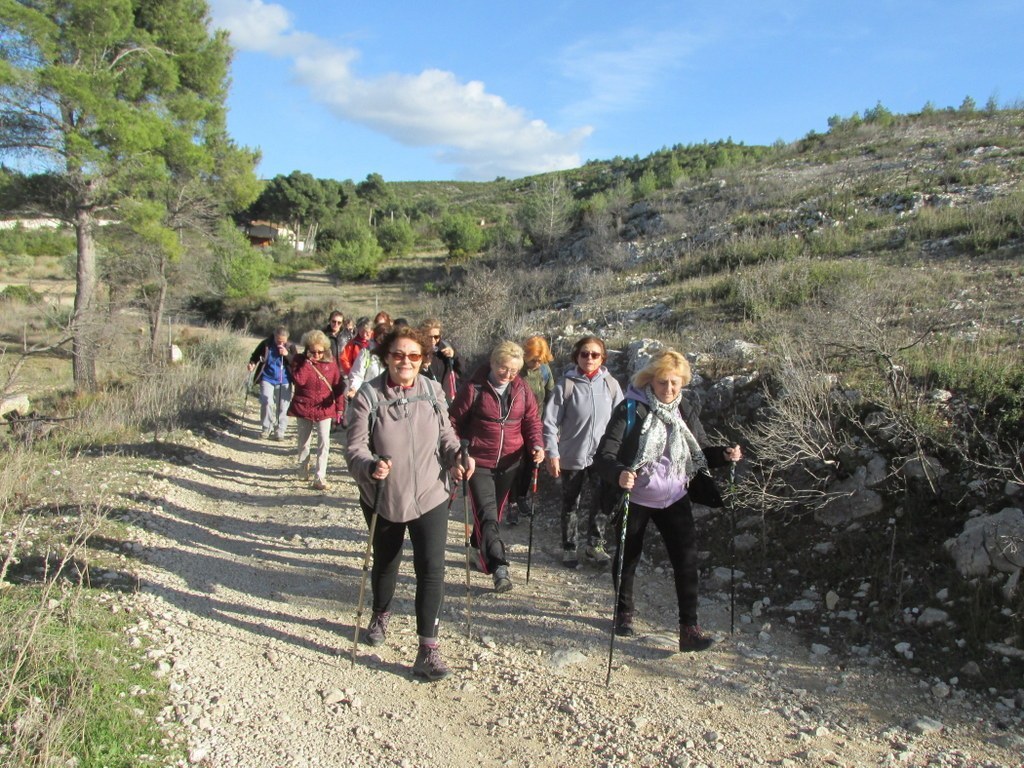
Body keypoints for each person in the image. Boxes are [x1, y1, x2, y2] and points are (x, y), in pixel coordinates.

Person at [345, 326, 474, 681]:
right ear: (386, 357)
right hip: (384, 494)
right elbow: (354, 448)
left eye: (414, 355)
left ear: (424, 358)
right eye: (399, 355)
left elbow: (447, 435)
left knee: (432, 568)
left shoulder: (433, 391)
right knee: (386, 561)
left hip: (432, 492)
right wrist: (370, 467)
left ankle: (428, 649)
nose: (406, 361)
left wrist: (456, 458)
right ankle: (381, 612)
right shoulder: (368, 397)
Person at [594, 349, 742, 652]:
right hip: (636, 496)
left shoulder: (683, 409)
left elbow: (698, 451)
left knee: (687, 562)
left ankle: (689, 629)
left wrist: (724, 455)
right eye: (663, 383)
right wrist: (620, 473)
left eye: (675, 383)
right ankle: (624, 613)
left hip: (675, 496)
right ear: (651, 380)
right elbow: (604, 457)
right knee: (628, 556)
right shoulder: (631, 409)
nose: (669, 390)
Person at [450, 341, 544, 592]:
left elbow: (532, 421)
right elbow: (453, 421)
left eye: (514, 371)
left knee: (493, 514)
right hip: (477, 462)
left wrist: (537, 444)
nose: (509, 375)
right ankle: (499, 566)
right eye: (504, 369)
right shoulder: (474, 388)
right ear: (492, 363)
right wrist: (459, 451)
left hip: (510, 463)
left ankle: (475, 549)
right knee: (488, 514)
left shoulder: (522, 390)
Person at [543, 335, 623, 568]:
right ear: (576, 357)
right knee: (570, 503)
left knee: (602, 502)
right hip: (571, 454)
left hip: (603, 458)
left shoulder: (611, 384)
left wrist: (622, 453)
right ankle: (569, 547)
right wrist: (552, 452)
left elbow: (621, 421)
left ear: (602, 358)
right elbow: (549, 422)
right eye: (584, 354)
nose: (589, 358)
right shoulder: (565, 385)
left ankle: (594, 546)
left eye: (595, 354)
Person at [288, 330, 346, 491]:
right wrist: (307, 363)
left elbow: (338, 386)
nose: (317, 354)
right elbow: (299, 380)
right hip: (303, 406)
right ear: (307, 349)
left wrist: (340, 408)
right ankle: (303, 468)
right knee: (304, 442)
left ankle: (320, 476)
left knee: (324, 442)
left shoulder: (331, 363)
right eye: (313, 351)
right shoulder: (300, 361)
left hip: (325, 408)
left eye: (320, 351)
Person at [511, 335, 556, 523]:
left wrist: (551, 426)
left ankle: (521, 498)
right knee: (515, 465)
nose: (537, 363)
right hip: (514, 425)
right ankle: (511, 503)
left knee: (531, 464)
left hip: (535, 425)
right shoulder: (517, 370)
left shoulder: (545, 371)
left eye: (540, 360)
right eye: (533, 360)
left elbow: (551, 397)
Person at [247, 326, 296, 440]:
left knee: (283, 406)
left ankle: (280, 430)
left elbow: (296, 361)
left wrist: (286, 355)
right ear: (274, 336)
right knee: (266, 401)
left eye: (283, 341)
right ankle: (266, 428)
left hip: (284, 379)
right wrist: (252, 364)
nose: (281, 343)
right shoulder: (266, 344)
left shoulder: (290, 346)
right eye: (278, 340)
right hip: (267, 377)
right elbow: (255, 356)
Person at [420, 318, 462, 404]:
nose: (433, 340)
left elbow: (463, 370)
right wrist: (422, 367)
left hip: (447, 398)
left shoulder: (446, 348)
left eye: (436, 337)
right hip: (425, 399)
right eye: (429, 337)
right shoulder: (417, 351)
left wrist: (454, 355)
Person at [346, 322, 391, 398]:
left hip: (389, 398)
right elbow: (357, 374)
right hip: (368, 396)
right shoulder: (366, 353)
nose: (381, 340)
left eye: (385, 337)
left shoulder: (394, 355)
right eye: (379, 337)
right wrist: (354, 388)